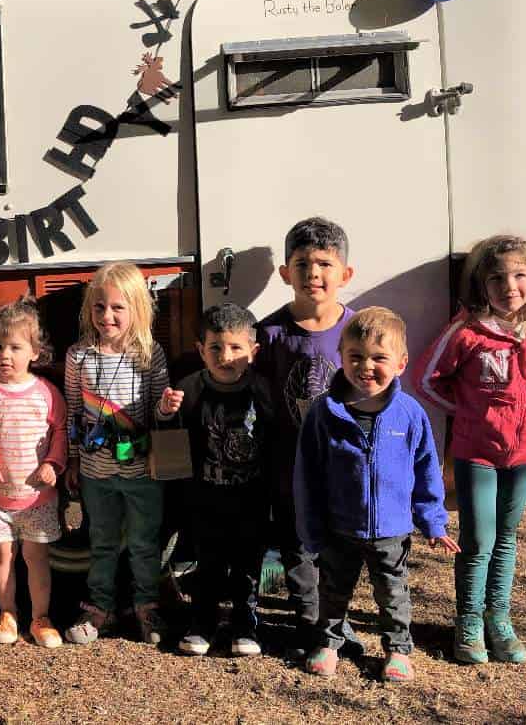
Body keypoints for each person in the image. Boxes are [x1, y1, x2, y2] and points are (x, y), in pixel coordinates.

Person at [412, 235, 526, 665]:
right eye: (497, 278)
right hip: (476, 452)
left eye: (520, 276)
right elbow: (427, 379)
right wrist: (472, 414)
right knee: (478, 538)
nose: (510, 287)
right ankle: (467, 621)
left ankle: (498, 618)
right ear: (481, 284)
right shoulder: (467, 333)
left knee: (506, 537)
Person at [295, 307, 459, 682]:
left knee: (393, 593)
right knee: (333, 591)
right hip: (340, 528)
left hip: (392, 530)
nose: (366, 366)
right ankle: (329, 643)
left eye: (379, 358)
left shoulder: (410, 414)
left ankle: (398, 649)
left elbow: (425, 472)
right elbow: (307, 475)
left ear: (401, 363)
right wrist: (310, 527)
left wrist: (433, 521)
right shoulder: (325, 413)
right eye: (355, 356)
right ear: (341, 358)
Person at [253, 216, 358, 653]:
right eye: (301, 264)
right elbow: (256, 402)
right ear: (285, 273)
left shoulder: (358, 330)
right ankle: (309, 622)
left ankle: (338, 621)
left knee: (339, 547)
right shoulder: (270, 333)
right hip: (288, 464)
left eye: (324, 264)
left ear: (345, 274)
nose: (313, 274)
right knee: (298, 547)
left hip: (342, 464)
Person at [62, 262, 171, 646]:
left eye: (117, 308)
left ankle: (145, 605)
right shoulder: (78, 356)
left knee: (144, 542)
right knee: (102, 541)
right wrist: (73, 460)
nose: (107, 316)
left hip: (142, 469)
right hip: (96, 471)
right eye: (99, 307)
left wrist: (167, 408)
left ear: (137, 309)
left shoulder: (149, 354)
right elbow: (74, 411)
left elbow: (158, 409)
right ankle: (100, 607)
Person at [157, 302, 269, 658]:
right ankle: (202, 621)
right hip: (204, 498)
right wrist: (164, 414)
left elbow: (279, 439)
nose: (226, 356)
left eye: (236, 348)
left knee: (248, 565)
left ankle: (244, 622)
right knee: (208, 563)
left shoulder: (263, 392)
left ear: (253, 352)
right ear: (201, 350)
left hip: (252, 496)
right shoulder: (187, 389)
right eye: (216, 348)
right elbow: (171, 447)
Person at [0, 298, 68, 649]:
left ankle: (41, 616)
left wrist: (54, 463)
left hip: (37, 497)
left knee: (36, 557)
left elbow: (60, 431)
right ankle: (7, 612)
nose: (5, 355)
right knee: (3, 555)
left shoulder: (47, 394)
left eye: (15, 347)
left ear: (35, 352)